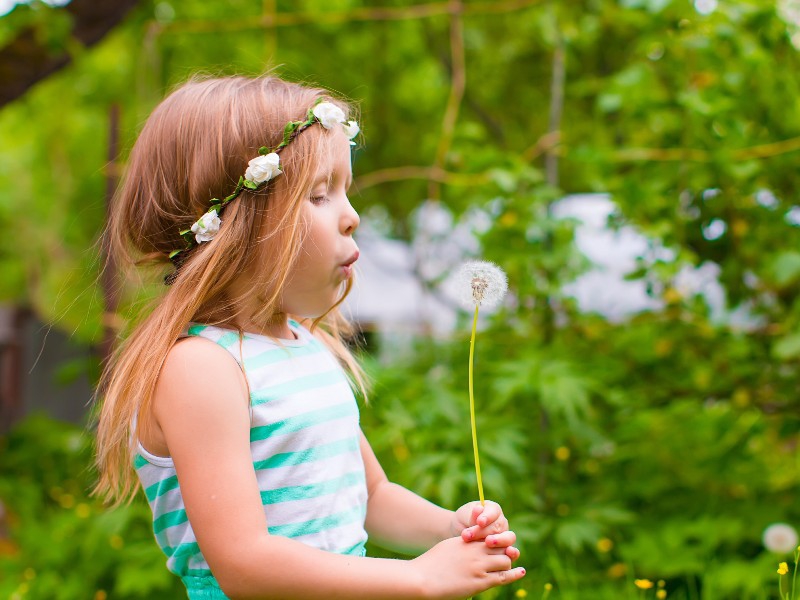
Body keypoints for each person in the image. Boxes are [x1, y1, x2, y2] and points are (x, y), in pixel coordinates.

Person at [93, 75, 525, 600]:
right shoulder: (202, 368)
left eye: (345, 190)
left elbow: (372, 495)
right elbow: (244, 562)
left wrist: (447, 529)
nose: (352, 216)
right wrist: (418, 577)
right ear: (240, 225)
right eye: (320, 195)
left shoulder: (305, 343)